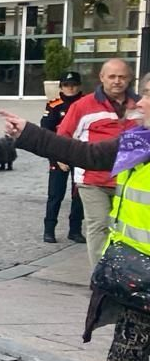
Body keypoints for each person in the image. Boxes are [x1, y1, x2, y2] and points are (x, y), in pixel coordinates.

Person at [2, 90, 150, 361]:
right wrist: (29, 134)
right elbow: (87, 155)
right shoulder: (138, 142)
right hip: (138, 281)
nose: (140, 102)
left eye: (149, 96)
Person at [58, 58, 139, 261]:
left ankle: (122, 275)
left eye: (122, 77)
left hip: (128, 180)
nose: (117, 81)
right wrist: (61, 156)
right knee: (99, 224)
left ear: (129, 79)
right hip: (93, 180)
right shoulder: (83, 105)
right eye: (112, 76)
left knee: (126, 229)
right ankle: (99, 278)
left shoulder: (140, 105)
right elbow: (64, 134)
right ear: (102, 78)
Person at [41, 70, 87, 245]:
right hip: (58, 153)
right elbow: (46, 132)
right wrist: (57, 157)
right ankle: (49, 230)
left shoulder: (87, 103)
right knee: (55, 194)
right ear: (61, 87)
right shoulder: (54, 105)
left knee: (79, 195)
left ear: (79, 86)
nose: (70, 88)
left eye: (74, 84)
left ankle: (75, 230)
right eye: (67, 85)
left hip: (80, 153)